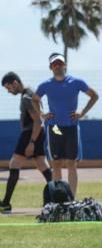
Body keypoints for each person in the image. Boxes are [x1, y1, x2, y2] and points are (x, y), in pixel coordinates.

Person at [32, 53, 99, 197]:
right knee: (56, 163)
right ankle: (58, 199)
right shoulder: (46, 85)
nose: (57, 66)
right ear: (51, 67)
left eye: (60, 63)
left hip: (71, 127)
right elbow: (35, 99)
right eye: (54, 64)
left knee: (71, 164)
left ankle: (72, 199)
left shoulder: (76, 82)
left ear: (65, 65)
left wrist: (82, 112)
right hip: (55, 128)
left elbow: (94, 95)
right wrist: (42, 113)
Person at [1, 72, 53, 213]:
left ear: (15, 83)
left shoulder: (26, 97)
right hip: (38, 134)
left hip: (30, 134)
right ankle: (57, 198)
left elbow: (37, 120)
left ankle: (5, 204)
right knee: (43, 166)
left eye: (8, 87)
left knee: (14, 164)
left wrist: (31, 142)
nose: (8, 91)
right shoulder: (31, 92)